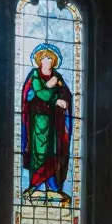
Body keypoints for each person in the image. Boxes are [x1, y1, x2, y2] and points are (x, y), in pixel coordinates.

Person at [20, 43, 74, 205]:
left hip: (55, 121)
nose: (47, 61)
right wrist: (54, 97)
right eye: (44, 58)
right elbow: (39, 93)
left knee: (54, 152)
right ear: (39, 60)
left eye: (50, 58)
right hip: (38, 120)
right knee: (39, 152)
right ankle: (35, 185)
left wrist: (63, 100)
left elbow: (66, 93)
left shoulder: (57, 77)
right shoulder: (35, 75)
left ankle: (52, 186)